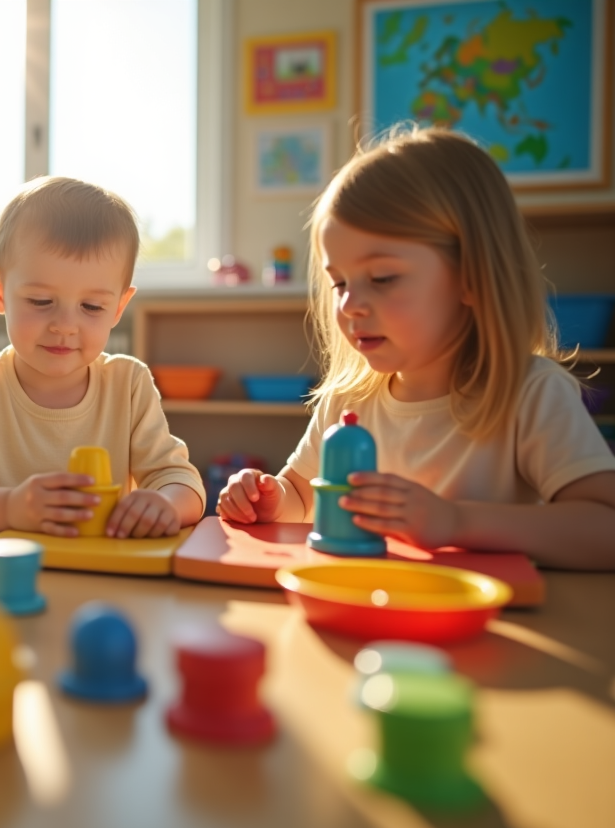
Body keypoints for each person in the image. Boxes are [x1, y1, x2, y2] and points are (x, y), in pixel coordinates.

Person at [216, 128, 615, 570]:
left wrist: (457, 521)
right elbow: (303, 492)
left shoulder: (531, 394)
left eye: (383, 278)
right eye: (340, 283)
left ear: (471, 276)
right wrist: (270, 498)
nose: (349, 304)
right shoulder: (348, 401)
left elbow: (604, 528)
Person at [0, 176, 206, 538]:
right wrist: (9, 508)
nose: (65, 326)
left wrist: (166, 504)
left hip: (102, 567)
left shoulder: (129, 384)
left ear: (118, 307)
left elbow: (182, 482)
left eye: (91, 306)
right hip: (7, 573)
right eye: (41, 302)